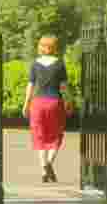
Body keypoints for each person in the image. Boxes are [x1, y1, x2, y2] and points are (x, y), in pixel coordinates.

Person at [22, 36, 73, 183]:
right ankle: (49, 163)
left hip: (38, 103)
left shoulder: (35, 64)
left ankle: (43, 167)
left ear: (41, 47)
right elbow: (64, 87)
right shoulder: (59, 64)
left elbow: (30, 86)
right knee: (55, 135)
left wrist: (26, 104)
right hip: (54, 102)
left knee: (39, 135)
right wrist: (69, 102)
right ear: (54, 47)